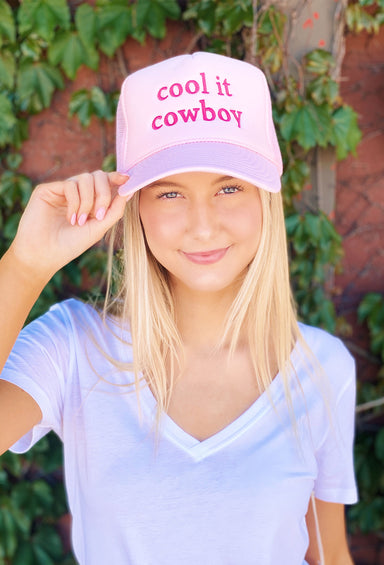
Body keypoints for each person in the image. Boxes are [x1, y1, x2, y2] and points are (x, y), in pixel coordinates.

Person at [0, 52, 357, 565]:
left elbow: (330, 554)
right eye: (169, 193)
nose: (203, 225)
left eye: (229, 187)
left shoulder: (323, 368)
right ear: (134, 206)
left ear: (266, 199)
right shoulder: (74, 347)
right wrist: (27, 262)